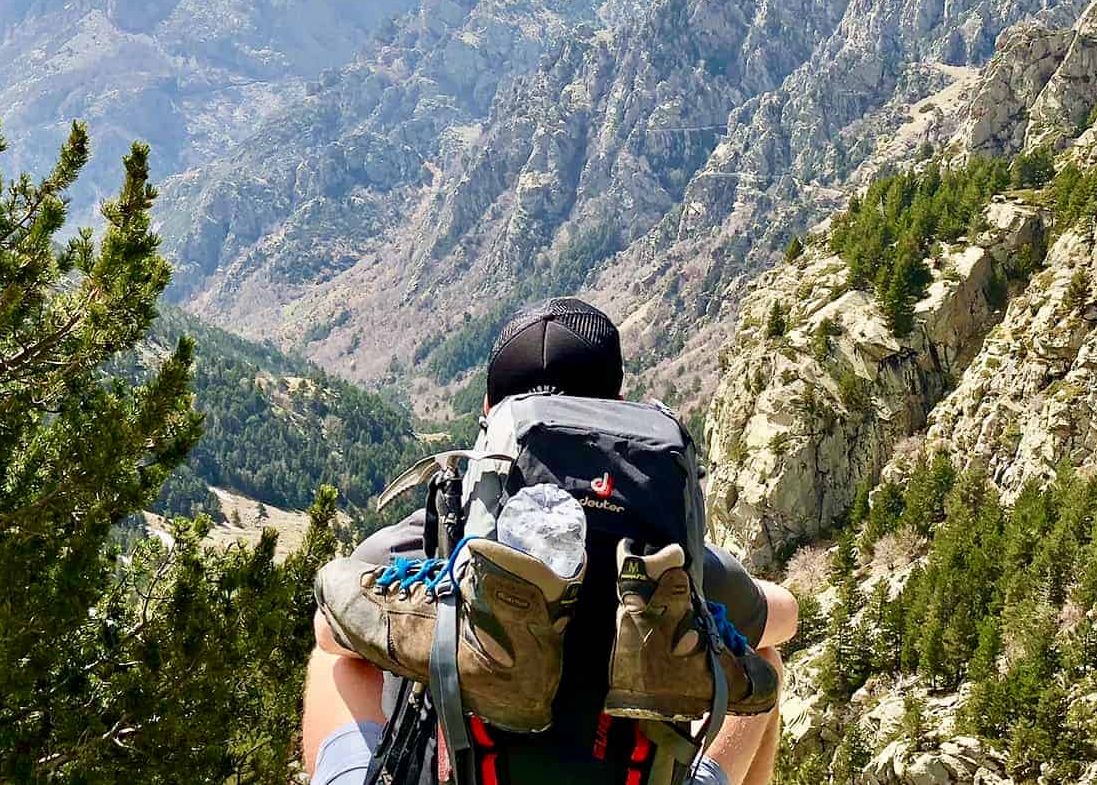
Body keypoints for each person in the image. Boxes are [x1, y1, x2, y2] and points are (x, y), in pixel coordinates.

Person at [300, 298, 800, 785]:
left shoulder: (438, 538)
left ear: (488, 414)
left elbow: (330, 630)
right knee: (766, 663)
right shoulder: (666, 553)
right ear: (618, 411)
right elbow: (785, 615)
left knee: (336, 658)